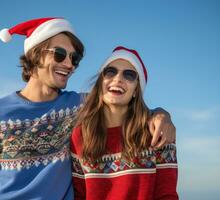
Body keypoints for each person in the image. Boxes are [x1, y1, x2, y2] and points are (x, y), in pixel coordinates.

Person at [0, 17, 176, 200]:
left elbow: (123, 98)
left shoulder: (79, 105)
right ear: (36, 54)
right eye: (60, 54)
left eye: (75, 58)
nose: (70, 64)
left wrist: (161, 115)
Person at [71, 46, 178, 200]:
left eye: (129, 75)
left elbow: (166, 195)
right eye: (110, 71)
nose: (118, 78)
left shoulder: (157, 131)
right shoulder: (81, 134)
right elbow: (79, 195)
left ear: (136, 91)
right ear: (101, 82)